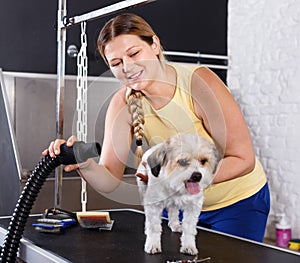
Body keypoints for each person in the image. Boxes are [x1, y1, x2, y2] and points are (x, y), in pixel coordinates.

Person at [43, 13, 270, 242]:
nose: (128, 67)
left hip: (235, 204)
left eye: (134, 53)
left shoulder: (198, 84)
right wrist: (85, 164)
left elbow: (243, 159)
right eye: (116, 63)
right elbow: (110, 178)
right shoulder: (122, 103)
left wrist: (181, 179)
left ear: (155, 45)